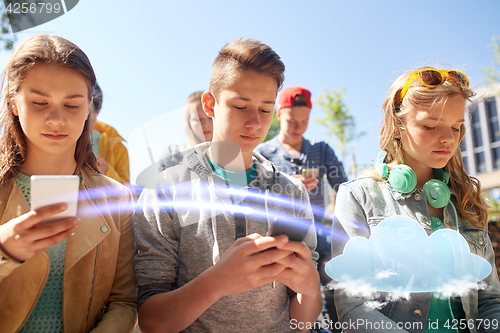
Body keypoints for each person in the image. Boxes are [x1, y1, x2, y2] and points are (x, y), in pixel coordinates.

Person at [133, 38, 323, 333]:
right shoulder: (164, 191)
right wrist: (217, 282)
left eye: (265, 109)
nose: (255, 123)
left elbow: (302, 324)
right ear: (210, 104)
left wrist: (310, 290)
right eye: (240, 106)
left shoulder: (293, 193)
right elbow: (151, 322)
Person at [331, 67, 500, 332]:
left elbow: (490, 300)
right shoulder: (358, 196)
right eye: (430, 126)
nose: (448, 139)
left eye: (456, 128)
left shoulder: (466, 200)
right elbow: (353, 307)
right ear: (397, 126)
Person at [0, 34, 137, 333]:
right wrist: (4, 250)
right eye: (39, 102)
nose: (56, 119)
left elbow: (124, 301)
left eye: (72, 105)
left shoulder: (116, 199)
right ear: (13, 102)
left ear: (89, 107)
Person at [255, 86, 347, 328]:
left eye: (304, 121)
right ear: (279, 114)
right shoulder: (262, 154)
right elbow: (253, 199)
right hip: (281, 237)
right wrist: (289, 184)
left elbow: (344, 187)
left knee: (334, 287)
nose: (298, 127)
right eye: (292, 121)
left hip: (321, 234)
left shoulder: (321, 150)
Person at [159, 90, 213, 171]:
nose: (206, 124)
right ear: (189, 122)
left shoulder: (230, 154)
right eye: (198, 119)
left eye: (210, 117)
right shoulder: (173, 153)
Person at [88, 83, 130, 184]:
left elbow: (128, 193)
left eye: (89, 120)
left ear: (99, 111)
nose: (82, 127)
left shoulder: (116, 145)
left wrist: (107, 172)